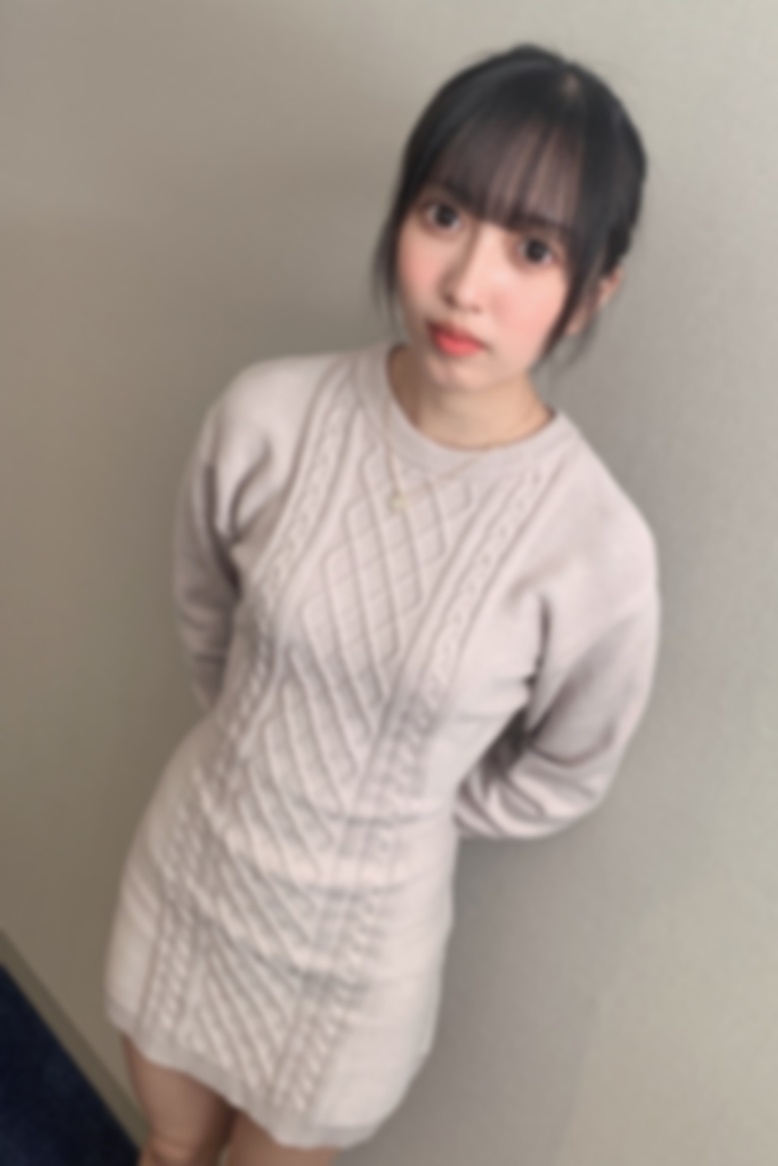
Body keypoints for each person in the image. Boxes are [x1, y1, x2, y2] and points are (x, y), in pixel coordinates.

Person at [103, 42, 662, 1166]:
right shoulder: (267, 413)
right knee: (166, 1148)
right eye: (444, 214)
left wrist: (402, 803)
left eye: (534, 248)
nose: (467, 284)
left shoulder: (596, 547)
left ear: (595, 288)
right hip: (195, 878)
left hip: (353, 963)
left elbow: (568, 769)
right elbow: (209, 620)